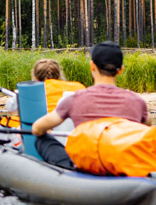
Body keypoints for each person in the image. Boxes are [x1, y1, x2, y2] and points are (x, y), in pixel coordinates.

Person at [30, 42, 149, 170]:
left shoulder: (73, 99)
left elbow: (37, 128)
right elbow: (147, 127)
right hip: (123, 162)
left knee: (41, 139)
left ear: (92, 66)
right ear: (120, 70)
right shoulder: (137, 101)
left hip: (88, 165)